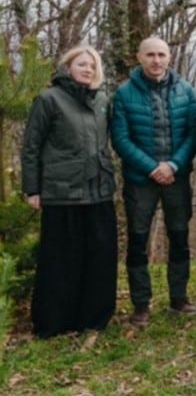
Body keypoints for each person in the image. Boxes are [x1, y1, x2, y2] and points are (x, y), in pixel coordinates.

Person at [22, 46, 117, 340]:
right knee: (61, 259)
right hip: (61, 192)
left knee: (99, 256)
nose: (87, 69)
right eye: (81, 64)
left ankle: (93, 318)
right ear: (68, 67)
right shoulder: (49, 99)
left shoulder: (102, 99)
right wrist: (32, 188)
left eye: (92, 65)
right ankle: (53, 322)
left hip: (98, 190)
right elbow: (31, 147)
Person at [111, 37, 196, 327]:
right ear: (139, 57)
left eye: (161, 54)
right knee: (137, 240)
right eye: (150, 55)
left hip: (177, 176)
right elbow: (120, 139)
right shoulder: (124, 94)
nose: (156, 60)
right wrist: (152, 167)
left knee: (179, 237)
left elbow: (193, 134)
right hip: (140, 179)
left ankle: (179, 297)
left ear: (170, 57)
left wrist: (173, 165)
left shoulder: (185, 91)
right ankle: (141, 304)